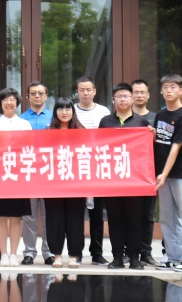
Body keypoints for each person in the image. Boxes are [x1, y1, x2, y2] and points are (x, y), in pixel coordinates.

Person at [98, 83, 149, 270]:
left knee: (134, 219)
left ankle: (135, 257)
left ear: (132, 99)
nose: (122, 99)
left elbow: (146, 151)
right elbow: (99, 147)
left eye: (126, 96)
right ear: (114, 100)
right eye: (119, 96)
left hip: (134, 179)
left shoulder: (141, 122)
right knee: (115, 219)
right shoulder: (105, 122)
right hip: (112, 180)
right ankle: (117, 256)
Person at [154, 74, 182, 271]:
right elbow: (159, 140)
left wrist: (163, 174)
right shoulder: (160, 115)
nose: (169, 90)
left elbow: (176, 147)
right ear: (161, 90)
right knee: (167, 217)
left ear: (180, 90)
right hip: (163, 174)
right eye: (165, 87)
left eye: (173, 87)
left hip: (180, 172)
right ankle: (172, 256)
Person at [0, 88, 32, 266]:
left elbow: (29, 149)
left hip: (19, 176)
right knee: (0, 217)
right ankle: (3, 253)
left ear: (17, 102)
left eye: (12, 99)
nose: (9, 103)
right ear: (0, 103)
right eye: (5, 100)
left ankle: (14, 253)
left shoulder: (24, 124)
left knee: (16, 217)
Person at [73, 76, 111, 264]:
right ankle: (77, 253)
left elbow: (109, 137)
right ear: (77, 92)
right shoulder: (71, 110)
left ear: (94, 91)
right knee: (77, 214)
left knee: (97, 214)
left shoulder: (104, 111)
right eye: (82, 90)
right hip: (76, 167)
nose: (85, 93)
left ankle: (97, 252)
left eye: (89, 89)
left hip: (97, 167)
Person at [44, 98, 85, 268]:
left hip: (76, 184)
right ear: (55, 112)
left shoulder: (81, 132)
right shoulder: (48, 132)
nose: (64, 112)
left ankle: (74, 255)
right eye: (60, 109)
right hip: (53, 184)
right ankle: (57, 255)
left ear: (73, 112)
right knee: (55, 219)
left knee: (75, 219)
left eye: (68, 108)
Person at [19, 81, 55, 266]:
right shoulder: (21, 119)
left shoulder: (54, 118)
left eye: (41, 93)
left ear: (46, 96)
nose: (37, 96)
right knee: (29, 217)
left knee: (49, 216)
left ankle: (49, 252)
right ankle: (29, 252)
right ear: (28, 96)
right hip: (29, 172)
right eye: (33, 93)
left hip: (49, 172)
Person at [131, 78, 159, 266]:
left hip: (149, 172)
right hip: (128, 172)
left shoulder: (157, 118)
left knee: (147, 215)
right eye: (136, 92)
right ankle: (128, 251)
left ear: (148, 95)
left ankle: (146, 252)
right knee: (129, 214)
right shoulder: (123, 118)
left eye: (143, 92)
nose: (139, 95)